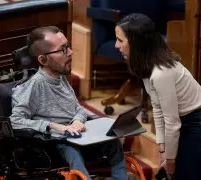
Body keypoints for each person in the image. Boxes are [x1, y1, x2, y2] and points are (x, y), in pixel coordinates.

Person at [10, 26, 128, 180]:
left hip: (77, 135)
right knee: (71, 150)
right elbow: (16, 121)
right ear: (43, 59)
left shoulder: (61, 78)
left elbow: (77, 108)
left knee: (113, 142)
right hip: (55, 142)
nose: (71, 53)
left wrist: (78, 120)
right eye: (63, 49)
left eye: (68, 47)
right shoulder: (35, 85)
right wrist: (54, 126)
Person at [114, 13, 201, 180]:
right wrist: (163, 149)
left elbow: (172, 123)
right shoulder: (146, 67)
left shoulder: (160, 73)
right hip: (187, 120)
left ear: (136, 43)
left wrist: (170, 161)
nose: (116, 45)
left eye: (120, 40)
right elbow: (157, 110)